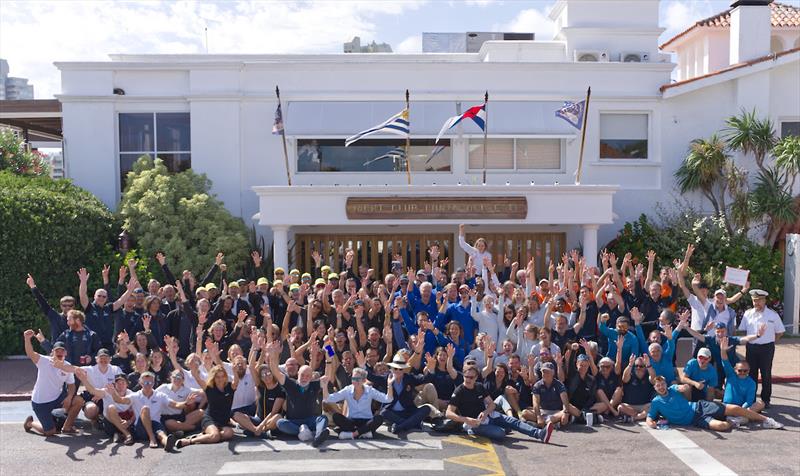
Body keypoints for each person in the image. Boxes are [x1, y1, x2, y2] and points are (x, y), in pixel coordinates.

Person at [446, 364, 553, 443]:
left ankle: (540, 434)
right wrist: (466, 419)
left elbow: (492, 404)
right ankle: (475, 431)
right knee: (500, 433)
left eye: (471, 377)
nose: (467, 379)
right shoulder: (459, 391)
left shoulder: (479, 386)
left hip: (489, 416)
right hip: (474, 424)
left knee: (515, 422)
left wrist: (486, 412)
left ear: (476, 378)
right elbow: (448, 413)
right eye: (466, 377)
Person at [645, 376, 782, 431]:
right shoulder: (656, 402)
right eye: (658, 386)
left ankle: (767, 420)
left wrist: (683, 387)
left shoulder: (672, 389)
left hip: (700, 406)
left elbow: (682, 387)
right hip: (696, 420)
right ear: (655, 388)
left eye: (662, 384)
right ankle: (733, 421)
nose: (661, 387)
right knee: (722, 426)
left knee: (735, 408)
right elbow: (650, 418)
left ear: (665, 384)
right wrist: (653, 425)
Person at [106, 371, 197, 450]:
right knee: (145, 409)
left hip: (156, 423)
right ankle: (152, 438)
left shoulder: (160, 395)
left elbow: (176, 405)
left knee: (161, 434)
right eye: (145, 383)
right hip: (141, 428)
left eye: (150, 383)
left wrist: (186, 403)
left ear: (153, 383)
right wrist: (113, 393)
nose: (148, 385)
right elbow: (120, 400)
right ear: (140, 383)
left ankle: (168, 443)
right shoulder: (135, 396)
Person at [266, 340, 330, 447]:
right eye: (302, 375)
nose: (305, 378)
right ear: (298, 374)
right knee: (280, 423)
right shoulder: (291, 384)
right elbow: (275, 370)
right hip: (294, 422)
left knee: (323, 418)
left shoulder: (314, 385)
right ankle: (303, 432)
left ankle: (318, 437)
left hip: (310, 421)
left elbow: (329, 375)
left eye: (307, 376)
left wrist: (329, 349)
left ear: (311, 377)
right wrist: (273, 355)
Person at [22, 331, 76, 437]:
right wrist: (27, 339)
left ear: (66, 353)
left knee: (78, 401)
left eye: (62, 351)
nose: (59, 353)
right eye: (57, 351)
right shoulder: (43, 361)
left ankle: (67, 426)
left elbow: (71, 385)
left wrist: (69, 397)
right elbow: (30, 353)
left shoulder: (67, 366)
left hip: (57, 398)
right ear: (52, 352)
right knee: (50, 432)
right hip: (40, 402)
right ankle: (30, 423)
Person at [738, 289, 785, 409]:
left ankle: (765, 399)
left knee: (766, 374)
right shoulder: (748, 314)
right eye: (754, 300)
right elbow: (743, 330)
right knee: (751, 374)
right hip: (751, 348)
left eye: (759, 300)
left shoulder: (772, 315)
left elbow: (780, 332)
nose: (756, 303)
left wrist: (769, 341)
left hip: (767, 348)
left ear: (764, 300)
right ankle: (751, 399)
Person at [175, 365, 237, 447]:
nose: (220, 379)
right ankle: (189, 441)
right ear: (213, 378)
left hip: (223, 421)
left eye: (222, 376)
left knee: (229, 434)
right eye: (217, 377)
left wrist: (235, 371)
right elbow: (197, 378)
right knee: (215, 436)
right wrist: (194, 370)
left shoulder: (230, 387)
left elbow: (236, 380)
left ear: (225, 377)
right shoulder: (209, 388)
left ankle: (205, 436)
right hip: (210, 419)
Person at [322, 367, 393, 439]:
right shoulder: (347, 390)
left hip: (366, 421)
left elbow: (388, 399)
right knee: (336, 416)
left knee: (379, 418)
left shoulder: (370, 390)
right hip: (352, 422)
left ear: (364, 380)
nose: (355, 381)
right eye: (353, 379)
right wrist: (324, 386)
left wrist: (389, 385)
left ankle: (353, 434)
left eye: (358, 379)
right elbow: (328, 399)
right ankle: (364, 433)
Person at [718, 336, 765, 425]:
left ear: (749, 370)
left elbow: (749, 400)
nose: (742, 372)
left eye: (745, 370)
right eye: (740, 370)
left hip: (742, 408)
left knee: (761, 403)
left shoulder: (751, 382)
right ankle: (743, 417)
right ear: (735, 369)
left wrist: (741, 410)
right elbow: (724, 360)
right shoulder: (730, 374)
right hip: (728, 407)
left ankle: (740, 417)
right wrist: (723, 350)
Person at [157, 370, 204, 434]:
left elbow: (203, 392)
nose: (176, 379)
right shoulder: (163, 387)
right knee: (169, 423)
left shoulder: (187, 390)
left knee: (201, 412)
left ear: (183, 380)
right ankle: (194, 428)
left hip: (180, 417)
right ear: (170, 378)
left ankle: (179, 429)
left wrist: (201, 404)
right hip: (166, 417)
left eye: (179, 377)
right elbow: (152, 394)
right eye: (174, 377)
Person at [617, 353, 656, 423]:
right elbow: (624, 378)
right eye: (636, 366)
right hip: (630, 406)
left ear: (645, 367)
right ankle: (641, 416)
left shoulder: (648, 375)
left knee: (654, 406)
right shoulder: (630, 375)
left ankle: (635, 418)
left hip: (644, 406)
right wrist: (630, 364)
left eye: (641, 366)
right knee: (620, 407)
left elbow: (654, 379)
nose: (638, 368)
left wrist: (649, 365)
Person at [530, 362, 570, 428]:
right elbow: (535, 403)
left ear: (553, 373)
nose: (545, 374)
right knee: (525, 413)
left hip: (556, 411)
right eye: (543, 371)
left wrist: (566, 413)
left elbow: (565, 401)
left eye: (547, 372)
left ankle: (544, 423)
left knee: (563, 415)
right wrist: (538, 416)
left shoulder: (559, 385)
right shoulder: (537, 385)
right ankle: (552, 424)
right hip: (543, 411)